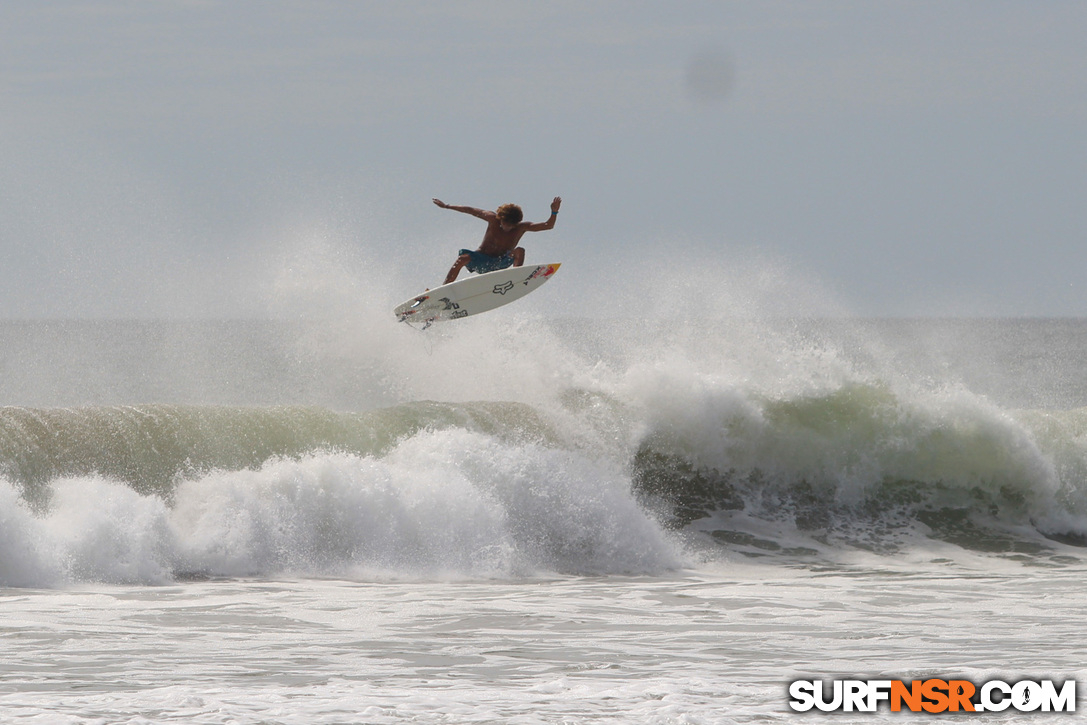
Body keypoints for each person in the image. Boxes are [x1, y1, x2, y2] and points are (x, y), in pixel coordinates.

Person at [433, 196, 562, 284]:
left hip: (501, 263)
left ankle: (516, 277)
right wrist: (447, 206)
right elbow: (470, 210)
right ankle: (445, 288)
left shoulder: (521, 227)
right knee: (462, 259)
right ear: (500, 218)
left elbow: (548, 226)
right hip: (481, 260)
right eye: (505, 223)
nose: (507, 227)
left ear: (516, 223)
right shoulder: (492, 219)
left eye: (511, 225)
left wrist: (554, 212)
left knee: (520, 251)